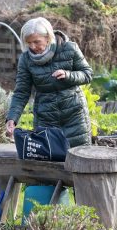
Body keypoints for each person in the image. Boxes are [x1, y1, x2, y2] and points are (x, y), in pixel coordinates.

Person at [5, 17, 93, 148]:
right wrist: (12, 118)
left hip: (74, 115)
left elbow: (88, 74)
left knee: (79, 156)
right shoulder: (25, 59)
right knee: (49, 157)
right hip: (46, 118)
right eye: (28, 43)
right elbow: (21, 92)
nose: (32, 47)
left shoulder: (69, 48)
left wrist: (68, 75)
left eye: (36, 41)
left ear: (48, 37)